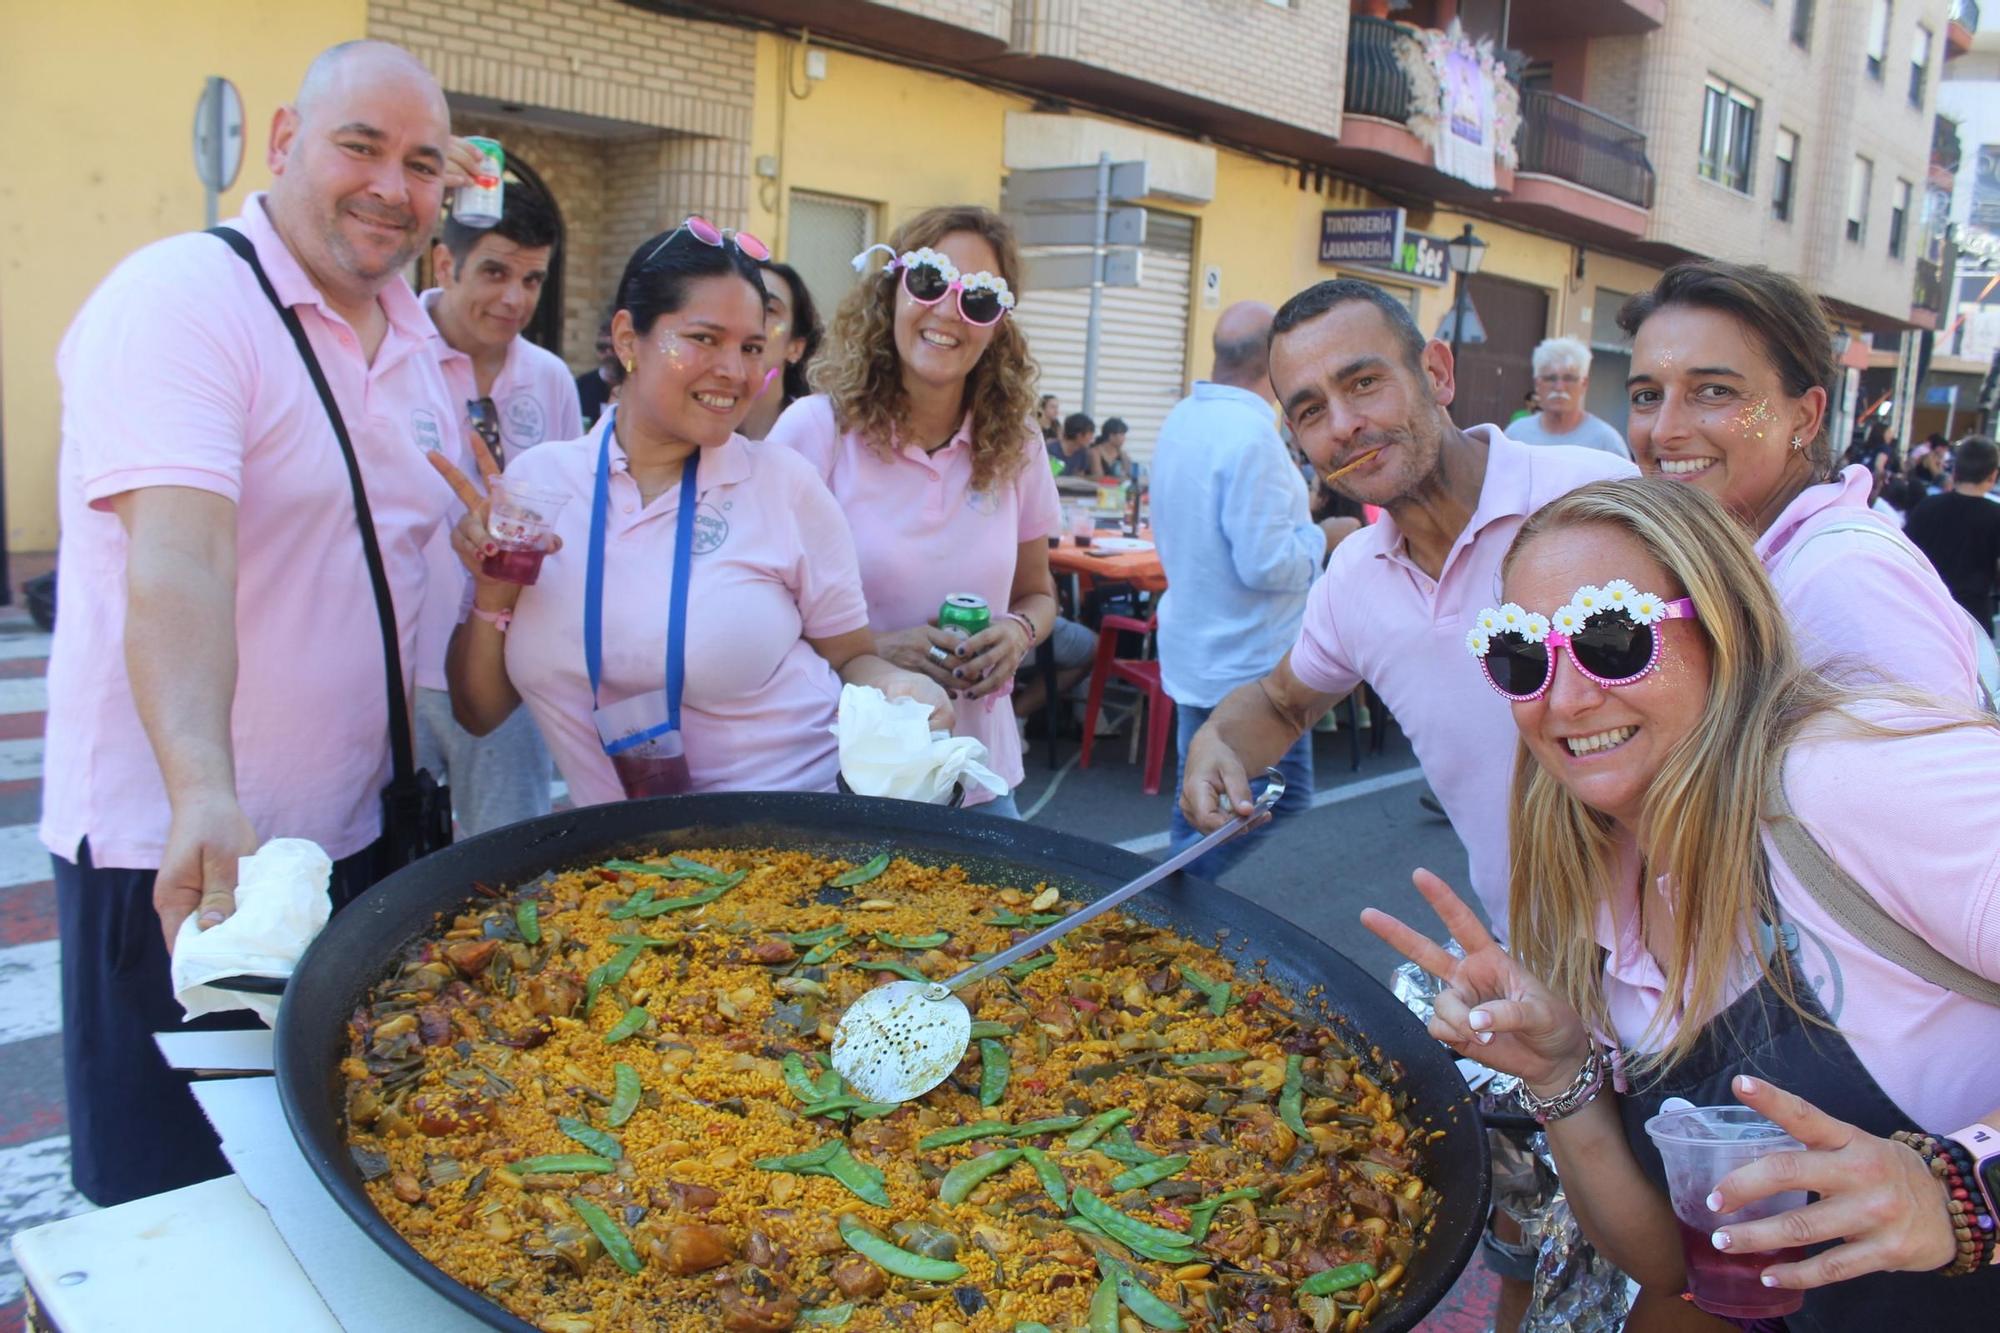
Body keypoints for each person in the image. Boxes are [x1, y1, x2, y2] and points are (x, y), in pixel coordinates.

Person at [1366, 476, 2000, 1329]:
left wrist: (1964, 1186)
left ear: (1720, 627)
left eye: (1613, 637)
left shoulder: (1843, 781)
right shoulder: (1595, 890)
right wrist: (1562, 1076)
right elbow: (1674, 1266)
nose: (1564, 698)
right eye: (1522, 655)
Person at [39, 40, 472, 1208]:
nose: (393, 184)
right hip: (190, 854)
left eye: (422, 164)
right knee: (174, 1202)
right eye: (360, 146)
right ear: (284, 143)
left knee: (329, 1185)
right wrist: (200, 787)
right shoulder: (181, 295)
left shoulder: (417, 342)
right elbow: (179, 555)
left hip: (356, 836)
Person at [1177, 279, 1632, 1330]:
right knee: (1525, 1223)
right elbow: (1285, 698)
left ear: (1433, 372)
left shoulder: (1588, 491)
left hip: (1680, 961)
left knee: (1677, 1269)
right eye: (1306, 407)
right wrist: (1217, 742)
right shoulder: (1355, 574)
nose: (1342, 423)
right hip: (1526, 961)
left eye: (1362, 381)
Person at [438, 221, 950, 805]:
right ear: (628, 339)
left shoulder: (784, 485)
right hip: (624, 868)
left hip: (796, 831)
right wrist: (491, 590)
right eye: (705, 338)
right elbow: (478, 712)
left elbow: (853, 659)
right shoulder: (539, 486)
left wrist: (900, 685)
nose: (735, 371)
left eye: (752, 347)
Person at [767, 206, 1062, 818]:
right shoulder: (816, 432)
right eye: (930, 282)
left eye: (979, 297)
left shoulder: (1019, 446)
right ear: (891, 291)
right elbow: (757, 619)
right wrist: (874, 651)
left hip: (975, 770)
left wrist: (1017, 633)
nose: (950, 311)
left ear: (999, 325)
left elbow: (1038, 592)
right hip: (843, 771)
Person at [1621, 261, 1982, 701]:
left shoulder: (1846, 578)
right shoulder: (1738, 557)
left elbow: (1935, 764)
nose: (1663, 431)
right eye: (1647, 396)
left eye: (1715, 391)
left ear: (1805, 415)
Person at [1152, 301, 1359, 879]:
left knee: (1199, 803)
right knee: (1269, 800)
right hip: (1247, 659)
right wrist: (1327, 537)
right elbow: (1267, 565)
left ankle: (1170, 901)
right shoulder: (1253, 439)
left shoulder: (1183, 418)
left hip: (1199, 643)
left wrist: (1301, 517)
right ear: (1274, 362)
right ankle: (1168, 900)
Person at [414, 181, 577, 835]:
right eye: (495, 271)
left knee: (504, 868)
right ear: (444, 263)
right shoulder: (387, 358)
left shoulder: (551, 378)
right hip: (395, 666)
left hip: (506, 669)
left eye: (532, 279)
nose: (515, 298)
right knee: (389, 873)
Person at [1905, 435, 2000, 633]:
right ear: (1993, 476)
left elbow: (1904, 556)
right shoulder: (1995, 516)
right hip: (1974, 619)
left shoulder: (1927, 507)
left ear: (1955, 472)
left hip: (1925, 611)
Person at [1504, 336, 1630, 459]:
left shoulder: (1607, 443)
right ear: (1537, 384)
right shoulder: (1516, 436)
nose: (1559, 387)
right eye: (1550, 378)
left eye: (1569, 379)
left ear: (1584, 384)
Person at [740, 258, 822, 440]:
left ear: (796, 349)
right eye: (742, 301)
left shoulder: (820, 434)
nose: (751, 315)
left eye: (769, 308)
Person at [576, 315, 617, 427]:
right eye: (602, 347)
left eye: (613, 348)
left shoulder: (633, 386)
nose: (608, 353)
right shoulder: (581, 386)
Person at [1082, 416, 1137, 481]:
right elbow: (1099, 477)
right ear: (1111, 436)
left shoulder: (1122, 454)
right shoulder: (1095, 452)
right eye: (1122, 434)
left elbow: (1127, 476)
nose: (1124, 438)